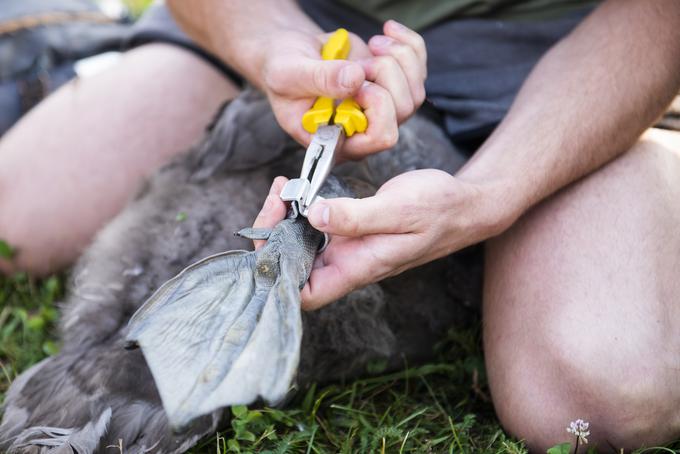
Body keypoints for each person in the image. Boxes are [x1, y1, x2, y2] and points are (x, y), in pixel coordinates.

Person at [1, 0, 679, 450]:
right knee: (15, 221)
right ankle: (60, 33)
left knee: (598, 402)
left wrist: (489, 196)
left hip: (571, 51)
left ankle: (643, 159)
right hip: (306, 19)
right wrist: (268, 45)